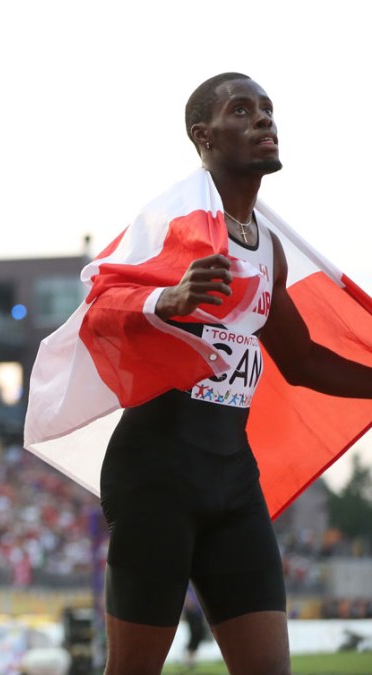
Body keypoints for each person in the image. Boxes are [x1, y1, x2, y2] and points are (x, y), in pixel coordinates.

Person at [92, 73, 372, 674]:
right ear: (204, 136)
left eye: (267, 110)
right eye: (242, 111)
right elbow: (99, 302)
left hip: (232, 483)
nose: (264, 120)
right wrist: (165, 300)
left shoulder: (265, 247)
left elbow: (302, 362)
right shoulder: (175, 222)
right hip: (156, 477)